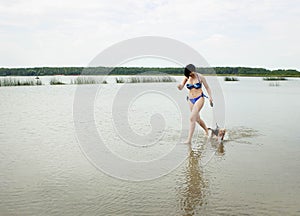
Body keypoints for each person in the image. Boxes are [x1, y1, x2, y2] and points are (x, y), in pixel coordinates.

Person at [177, 64, 213, 144]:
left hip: (199, 98)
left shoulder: (200, 77)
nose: (191, 74)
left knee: (191, 118)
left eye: (192, 72)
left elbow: (207, 87)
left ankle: (189, 140)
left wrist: (210, 97)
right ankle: (207, 130)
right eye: (190, 73)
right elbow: (181, 87)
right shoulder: (187, 77)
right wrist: (179, 86)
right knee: (197, 119)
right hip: (190, 99)